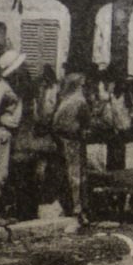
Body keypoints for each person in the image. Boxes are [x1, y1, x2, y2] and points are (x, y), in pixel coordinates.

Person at [0, 49, 32, 225]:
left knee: (9, 173)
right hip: (3, 133)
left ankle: (2, 210)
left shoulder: (15, 86)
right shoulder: (2, 87)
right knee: (0, 173)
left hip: (13, 133)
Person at [52, 72, 92, 224]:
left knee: (73, 175)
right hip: (74, 141)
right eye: (83, 85)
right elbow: (87, 124)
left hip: (65, 141)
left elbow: (55, 124)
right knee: (78, 176)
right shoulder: (80, 101)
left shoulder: (65, 100)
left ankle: (76, 207)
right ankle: (79, 209)